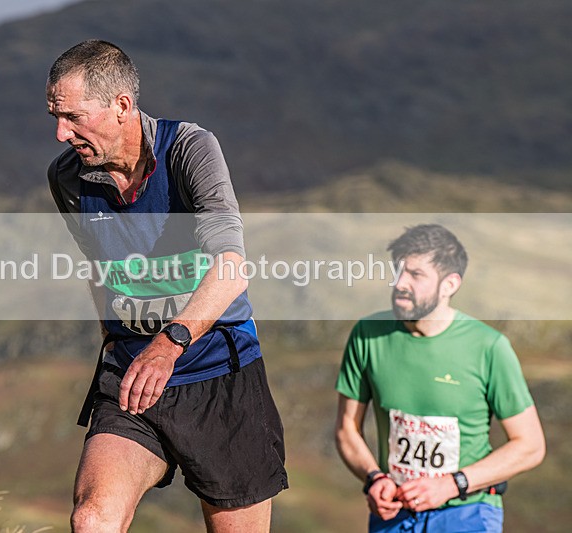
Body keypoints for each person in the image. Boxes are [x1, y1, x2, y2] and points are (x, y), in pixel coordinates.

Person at [45, 40, 287, 532]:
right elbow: (98, 267)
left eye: (73, 117)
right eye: (55, 116)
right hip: (132, 375)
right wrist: (115, 341)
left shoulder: (191, 149)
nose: (60, 133)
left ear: (121, 106)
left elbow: (231, 267)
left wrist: (169, 343)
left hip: (220, 372)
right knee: (92, 519)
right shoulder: (67, 178)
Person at [334, 224, 545, 532]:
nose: (400, 283)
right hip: (393, 513)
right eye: (398, 271)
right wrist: (373, 478)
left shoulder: (489, 347)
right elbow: (346, 430)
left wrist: (451, 484)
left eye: (416, 274)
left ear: (450, 284)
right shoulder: (367, 335)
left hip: (468, 512)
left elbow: (530, 445)